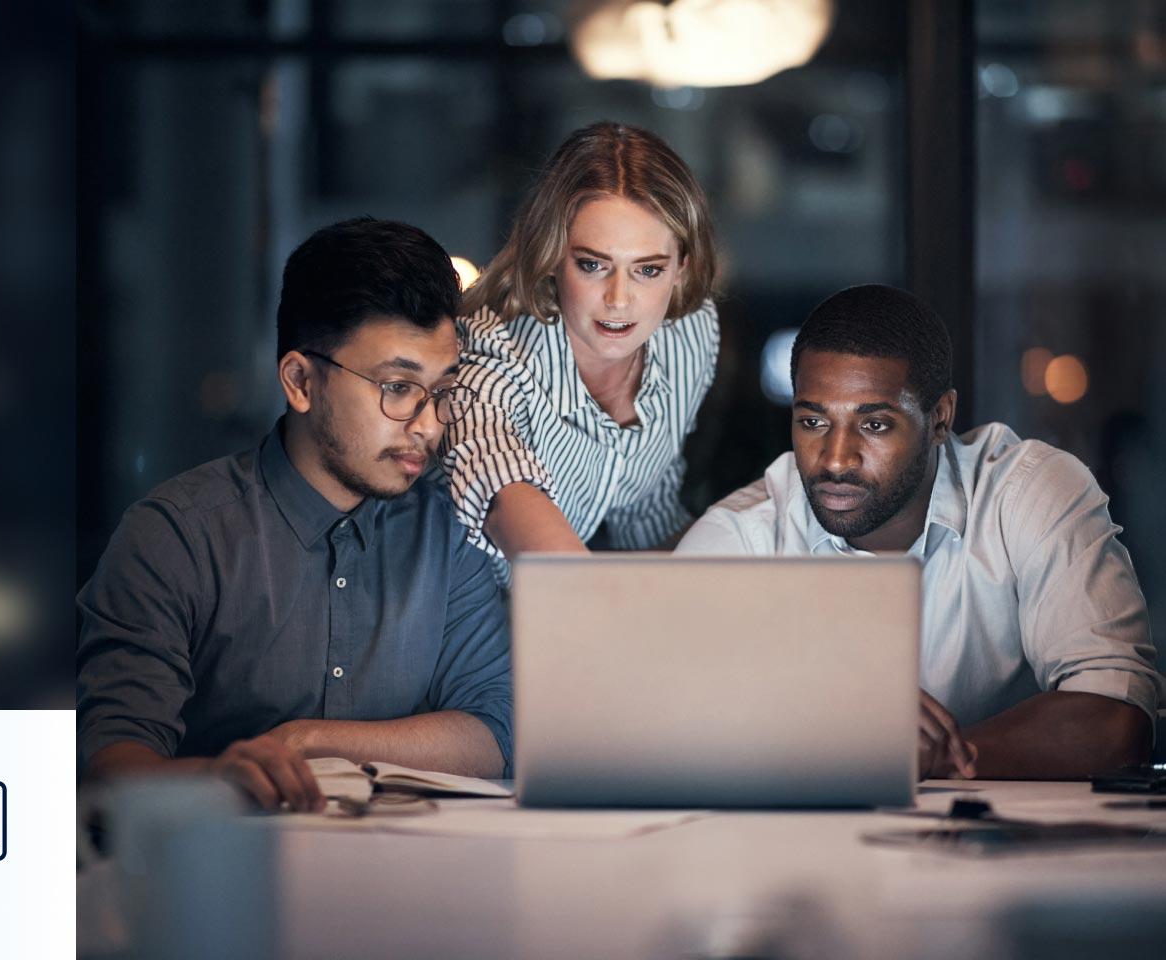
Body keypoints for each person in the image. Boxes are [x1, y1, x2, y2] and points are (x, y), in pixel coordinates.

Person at [77, 218, 512, 811]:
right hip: (220, 880)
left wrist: (306, 742)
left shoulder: (449, 532)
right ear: (301, 381)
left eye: (441, 390)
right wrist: (225, 780)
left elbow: (496, 730)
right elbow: (109, 764)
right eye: (397, 387)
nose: (429, 424)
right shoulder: (178, 536)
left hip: (408, 876)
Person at [677, 284, 1161, 780]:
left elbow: (1117, 719)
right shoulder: (737, 542)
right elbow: (661, 731)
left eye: (875, 426)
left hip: (1009, 850)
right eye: (814, 421)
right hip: (802, 852)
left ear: (939, 419)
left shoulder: (1025, 495)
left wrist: (924, 756)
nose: (836, 458)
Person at [442, 121, 721, 585]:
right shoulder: (492, 355)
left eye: (647, 270)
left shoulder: (688, 335)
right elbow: (498, 481)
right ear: (553, 255)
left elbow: (645, 511)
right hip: (455, 618)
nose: (619, 299)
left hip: (571, 608)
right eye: (593, 265)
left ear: (681, 269)